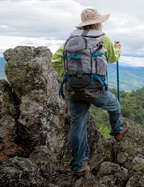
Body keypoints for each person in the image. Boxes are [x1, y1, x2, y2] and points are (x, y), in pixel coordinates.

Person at [51, 8, 128, 175]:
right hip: (95, 88)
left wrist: (70, 76)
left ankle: (79, 164)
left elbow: (55, 59)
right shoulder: (103, 38)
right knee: (114, 104)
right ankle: (118, 130)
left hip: (73, 88)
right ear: (98, 22)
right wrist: (118, 48)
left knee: (77, 124)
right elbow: (113, 57)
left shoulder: (71, 39)